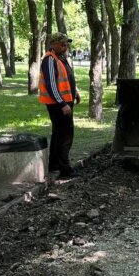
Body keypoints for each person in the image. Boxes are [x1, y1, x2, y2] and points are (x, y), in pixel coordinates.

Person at [39, 32, 81, 179]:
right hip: (58, 105)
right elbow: (51, 85)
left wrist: (75, 91)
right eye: (62, 44)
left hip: (65, 102)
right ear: (53, 44)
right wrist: (62, 103)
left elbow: (66, 77)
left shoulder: (61, 59)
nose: (65, 46)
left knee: (59, 134)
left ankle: (54, 164)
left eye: (66, 44)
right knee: (64, 136)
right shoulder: (49, 60)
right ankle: (65, 169)